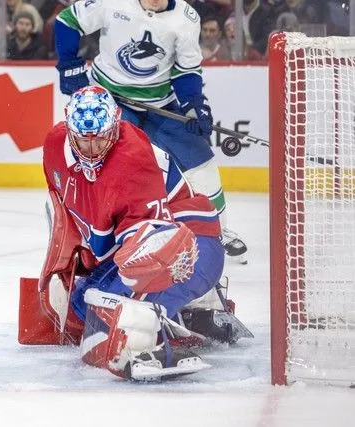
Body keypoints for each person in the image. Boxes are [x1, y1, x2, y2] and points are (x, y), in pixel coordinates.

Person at [26, 86, 250, 380]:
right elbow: (65, 209)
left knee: (117, 319)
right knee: (81, 306)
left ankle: (190, 304)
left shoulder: (133, 158)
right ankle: (189, 311)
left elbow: (152, 247)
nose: (92, 150)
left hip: (190, 243)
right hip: (137, 245)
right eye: (84, 141)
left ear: (116, 124)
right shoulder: (55, 144)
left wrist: (129, 314)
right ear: (69, 130)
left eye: (100, 139)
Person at [53, 0, 248, 263]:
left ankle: (217, 231)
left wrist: (193, 104)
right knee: (114, 168)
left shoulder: (186, 18)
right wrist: (69, 65)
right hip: (112, 102)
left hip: (161, 104)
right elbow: (67, 20)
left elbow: (186, 70)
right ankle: (104, 236)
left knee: (200, 159)